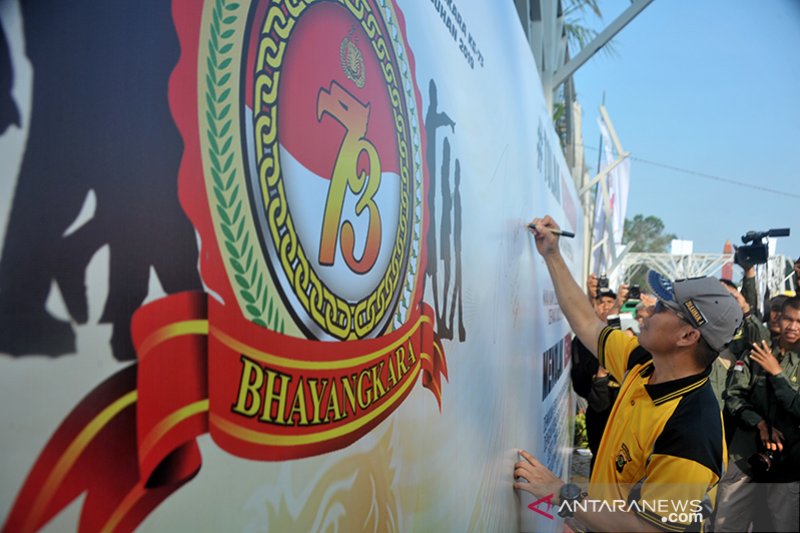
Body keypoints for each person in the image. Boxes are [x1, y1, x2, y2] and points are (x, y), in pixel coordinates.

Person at [514, 215, 743, 532]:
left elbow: (647, 528)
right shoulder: (643, 363)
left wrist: (560, 493)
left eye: (663, 308)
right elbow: (587, 324)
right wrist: (552, 254)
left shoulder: (692, 430)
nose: (647, 311)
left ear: (688, 337)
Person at [713, 297, 800, 532]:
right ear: (779, 318)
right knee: (726, 525)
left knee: (785, 526)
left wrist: (777, 372)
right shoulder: (756, 352)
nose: (793, 326)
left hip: (788, 462)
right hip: (745, 456)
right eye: (789, 319)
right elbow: (733, 396)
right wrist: (759, 423)